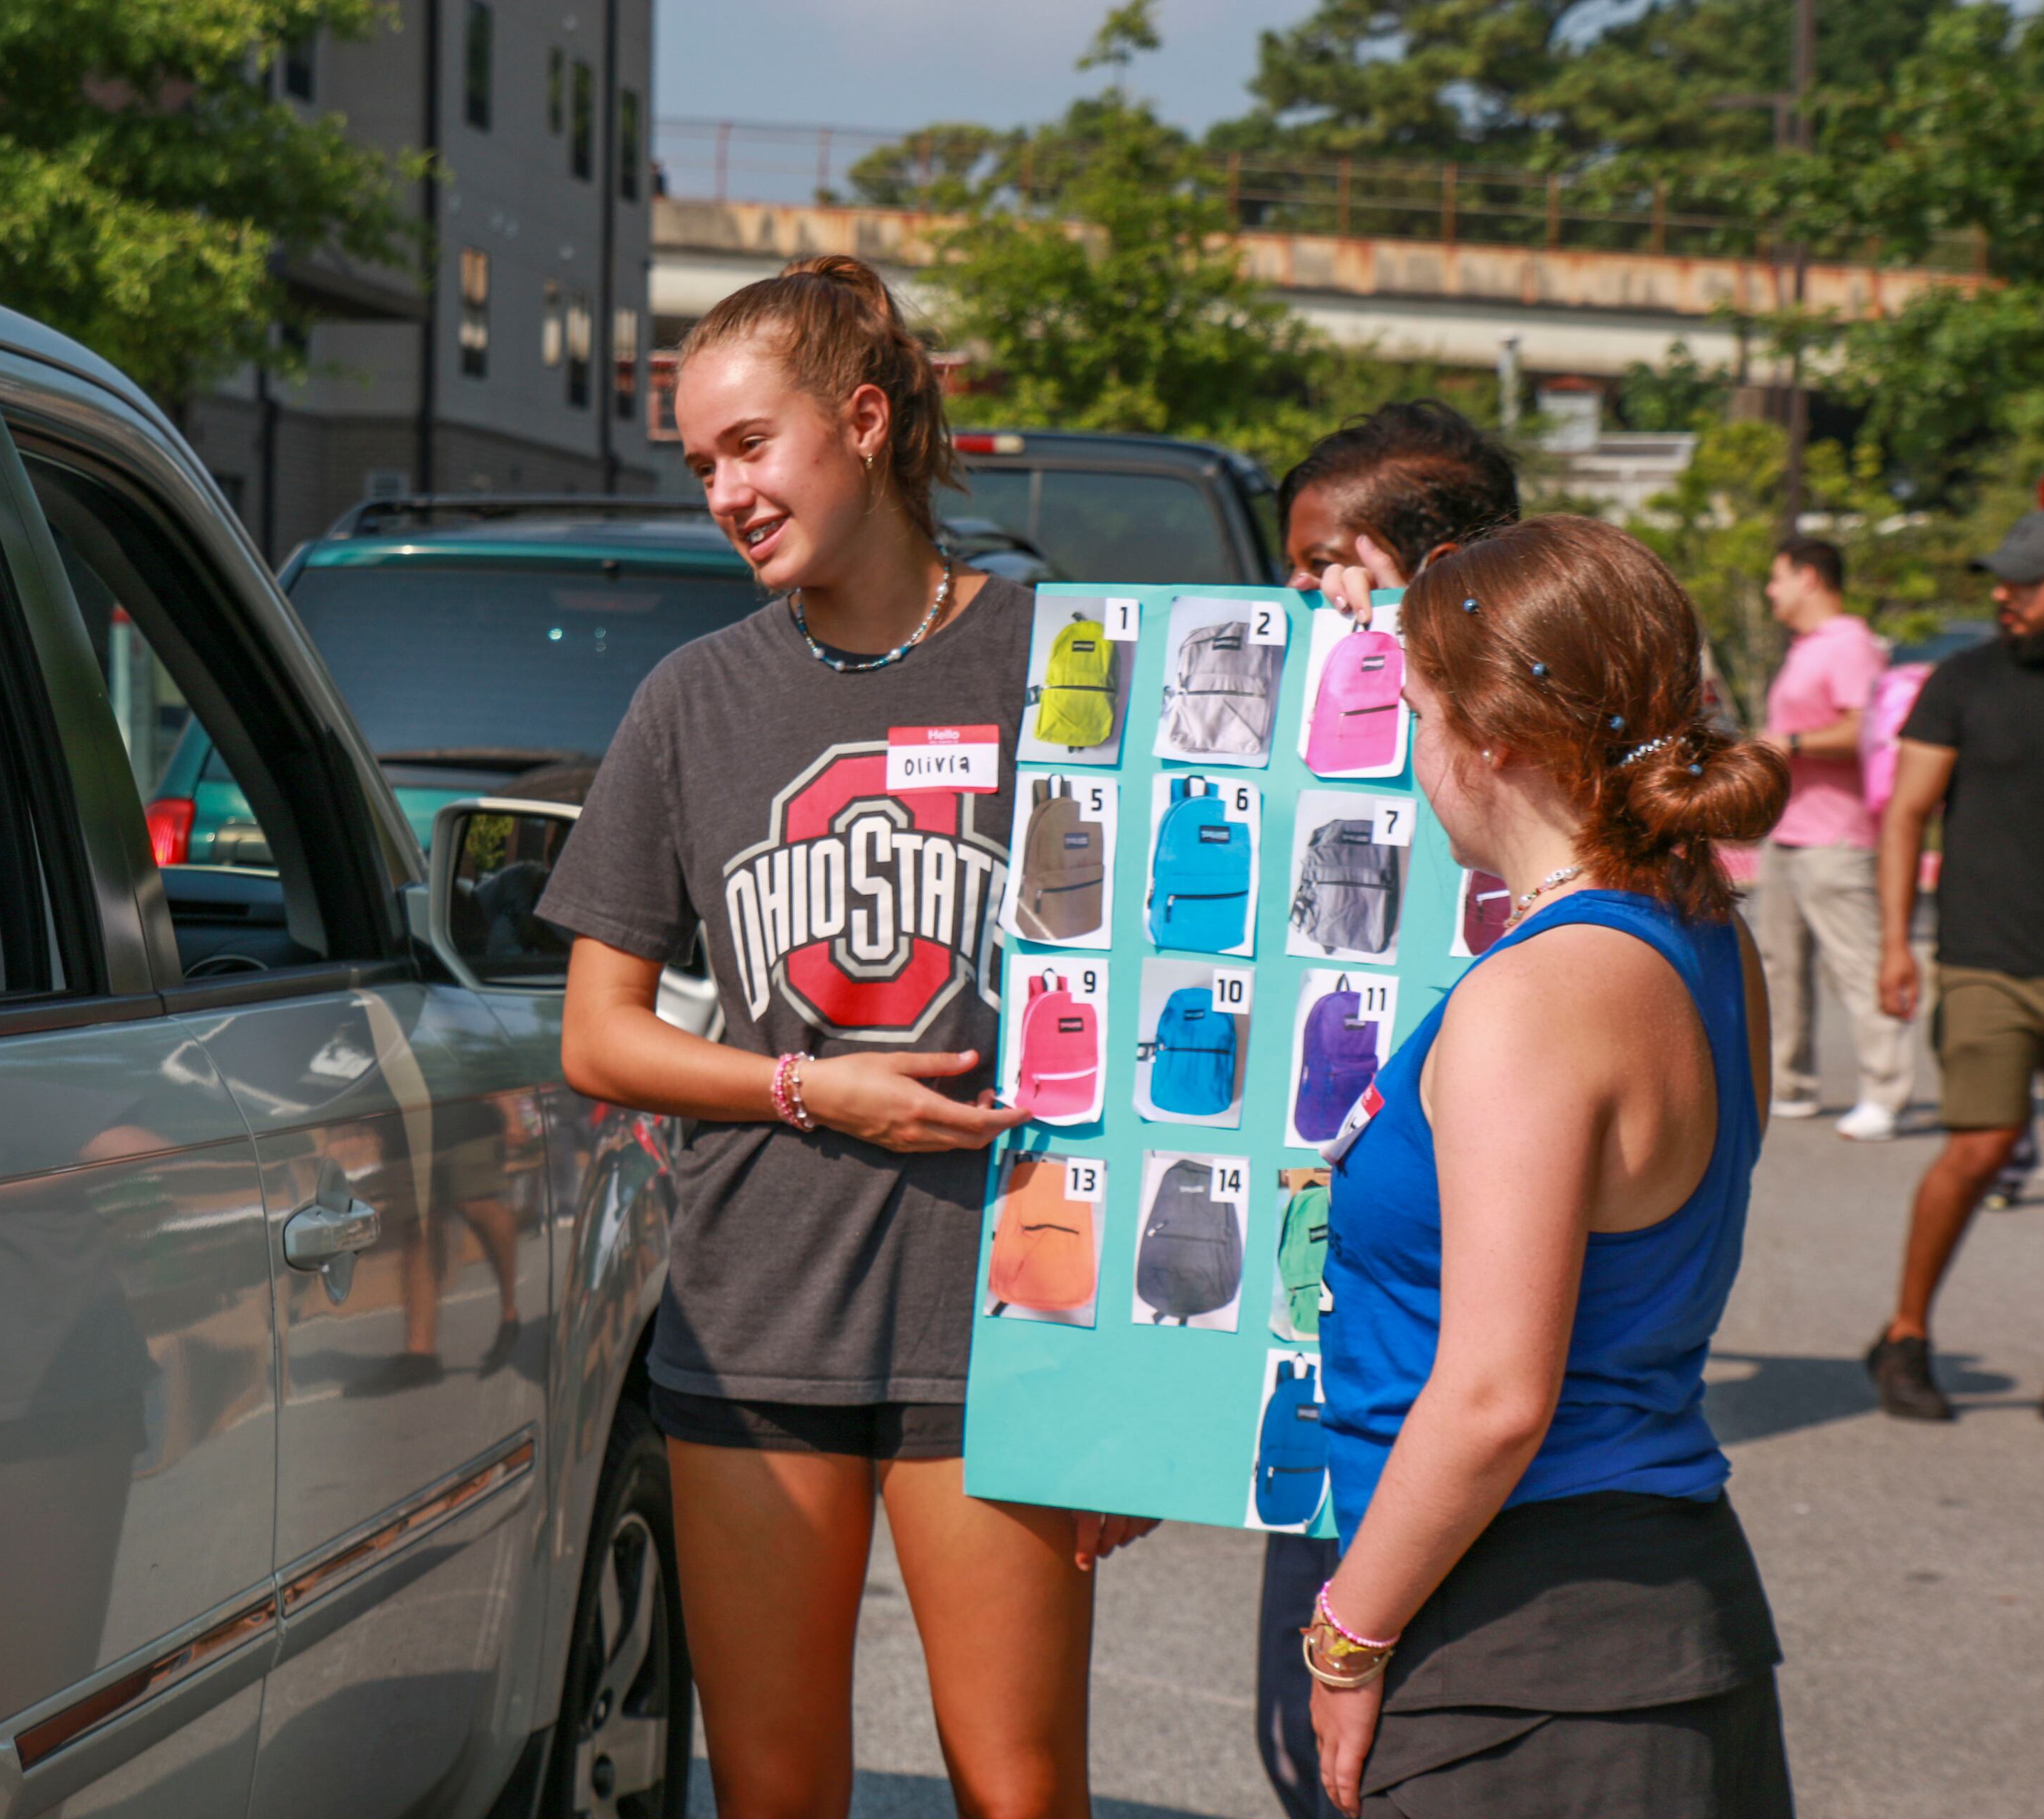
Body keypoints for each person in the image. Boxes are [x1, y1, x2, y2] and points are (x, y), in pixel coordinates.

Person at [538, 255, 1152, 1819]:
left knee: (1019, 1786)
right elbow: (601, 1039)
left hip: (1006, 1316)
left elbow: (1180, 1005)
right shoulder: (691, 700)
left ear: (866, 421)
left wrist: (1146, 1388)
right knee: (772, 1784)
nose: (724, 493)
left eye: (750, 446)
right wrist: (816, 1085)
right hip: (758, 1313)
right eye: (700, 467)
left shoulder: (1068, 669)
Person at [1307, 516, 1794, 1818]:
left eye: (1418, 712)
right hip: (1664, 1613)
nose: (1412, 755)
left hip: (1523, 1652)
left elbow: (1493, 1398)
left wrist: (1346, 1638)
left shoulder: (1535, 999)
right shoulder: (1698, 930)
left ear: (1495, 740)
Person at [1260, 397, 1519, 1819]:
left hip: (1466, 1462)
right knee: (1309, 1753)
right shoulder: (1318, 731)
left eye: (1325, 563)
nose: (1306, 597)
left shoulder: (1528, 762)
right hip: (1343, 1414)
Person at [1867, 508, 2044, 1425]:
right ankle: (1907, 1332)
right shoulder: (1962, 680)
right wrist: (1898, 940)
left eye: (2027, 580)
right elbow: (1907, 812)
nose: (2004, 595)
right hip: (1987, 955)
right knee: (1981, 1147)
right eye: (2002, 578)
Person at [1751, 538, 1912, 1140]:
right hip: (1790, 830)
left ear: (1809, 578)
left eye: (1777, 577)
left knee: (1857, 964)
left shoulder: (1850, 646)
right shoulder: (1807, 649)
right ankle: (1792, 1084)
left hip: (1837, 837)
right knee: (1781, 965)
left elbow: (1863, 730)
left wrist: (1788, 746)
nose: (1771, 591)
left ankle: (1885, 1090)